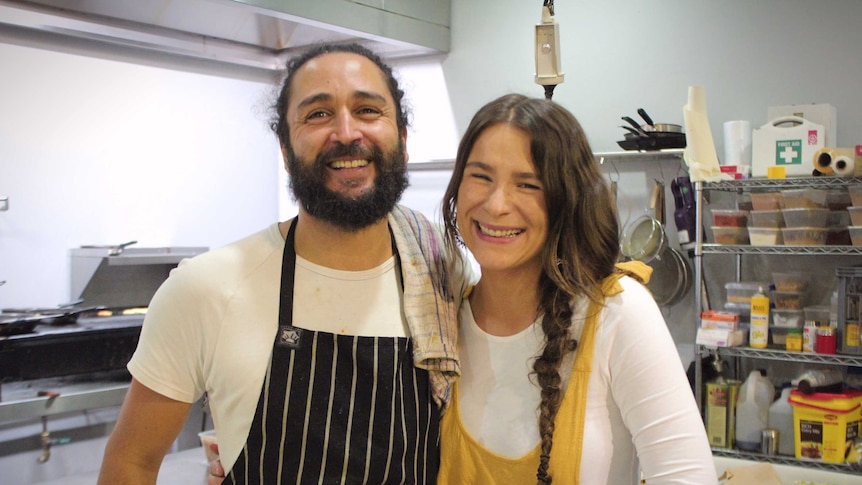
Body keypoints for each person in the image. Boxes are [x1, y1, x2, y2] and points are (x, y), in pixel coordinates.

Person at [97, 42, 465, 485]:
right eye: (318, 114)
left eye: (368, 110)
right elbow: (132, 463)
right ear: (286, 148)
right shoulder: (207, 288)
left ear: (403, 140)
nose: (347, 133)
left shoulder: (449, 279)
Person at [436, 93, 718, 484]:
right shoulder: (440, 316)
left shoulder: (615, 310)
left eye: (528, 185)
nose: (497, 204)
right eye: (481, 177)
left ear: (566, 201)